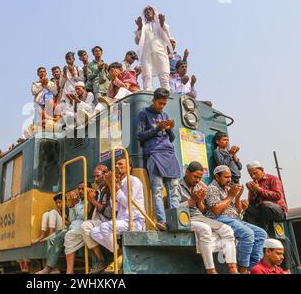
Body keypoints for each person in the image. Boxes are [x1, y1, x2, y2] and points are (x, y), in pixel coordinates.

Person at [175, 161, 238, 274]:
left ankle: (233, 269)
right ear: (187, 172)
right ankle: (211, 270)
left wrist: (199, 201)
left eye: (200, 178)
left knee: (227, 230)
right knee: (205, 229)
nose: (197, 180)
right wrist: (191, 201)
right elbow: (174, 209)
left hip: (199, 217)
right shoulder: (177, 187)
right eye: (195, 176)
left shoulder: (199, 186)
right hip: (185, 218)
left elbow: (203, 210)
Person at [204, 165, 267, 274]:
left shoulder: (228, 188)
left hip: (235, 219)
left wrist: (237, 197)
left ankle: (250, 268)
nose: (229, 180)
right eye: (226, 177)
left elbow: (237, 211)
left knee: (261, 234)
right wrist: (230, 196)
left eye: (230, 177)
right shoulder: (211, 189)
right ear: (217, 177)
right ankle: (242, 269)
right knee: (247, 234)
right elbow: (216, 210)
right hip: (218, 219)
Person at [90, 158, 145, 271]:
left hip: (134, 221)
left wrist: (116, 189)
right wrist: (112, 185)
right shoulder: (118, 183)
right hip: (122, 220)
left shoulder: (134, 181)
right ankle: (119, 253)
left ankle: (118, 257)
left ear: (129, 168)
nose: (117, 166)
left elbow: (128, 204)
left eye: (120, 164)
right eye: (115, 164)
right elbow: (114, 206)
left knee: (105, 227)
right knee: (93, 232)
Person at [137, 88, 180, 230]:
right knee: (157, 190)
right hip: (154, 153)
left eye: (164, 104)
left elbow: (172, 138)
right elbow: (140, 136)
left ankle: (177, 221)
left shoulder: (165, 114)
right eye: (160, 103)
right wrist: (157, 128)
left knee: (174, 190)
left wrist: (167, 128)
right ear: (153, 100)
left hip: (168, 153)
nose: (161, 106)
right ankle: (162, 221)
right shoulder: (144, 113)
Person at [243, 161, 297, 272]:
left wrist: (260, 190)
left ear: (262, 170)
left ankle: (263, 230)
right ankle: (258, 232)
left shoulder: (273, 179)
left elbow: (277, 195)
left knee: (265, 205)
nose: (253, 176)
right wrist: (252, 192)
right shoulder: (253, 183)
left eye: (255, 173)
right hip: (263, 215)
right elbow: (252, 203)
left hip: (277, 212)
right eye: (251, 175)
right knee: (247, 208)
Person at [36, 186, 85, 274]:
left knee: (53, 213)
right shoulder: (63, 209)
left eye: (60, 202)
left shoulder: (69, 207)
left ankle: (51, 233)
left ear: (65, 202)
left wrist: (63, 216)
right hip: (66, 227)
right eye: (57, 203)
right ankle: (53, 267)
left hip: (68, 227)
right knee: (47, 214)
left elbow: (71, 222)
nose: (58, 205)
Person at [80, 165, 113, 273]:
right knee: (85, 226)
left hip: (109, 221)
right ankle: (101, 260)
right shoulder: (99, 190)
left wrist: (93, 201)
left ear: (105, 174)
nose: (95, 179)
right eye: (94, 177)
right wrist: (90, 200)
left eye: (98, 176)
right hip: (100, 221)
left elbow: (109, 213)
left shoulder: (110, 188)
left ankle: (111, 256)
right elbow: (89, 215)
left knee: (85, 226)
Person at [135, 6, 172, 91]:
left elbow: (167, 36)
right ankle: (148, 92)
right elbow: (137, 41)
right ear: (144, 14)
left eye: (150, 9)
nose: (148, 11)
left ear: (154, 12)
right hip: (146, 53)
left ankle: (166, 91)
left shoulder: (159, 24)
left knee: (164, 73)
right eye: (146, 11)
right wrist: (140, 27)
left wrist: (162, 23)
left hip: (160, 51)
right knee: (147, 75)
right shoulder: (143, 26)